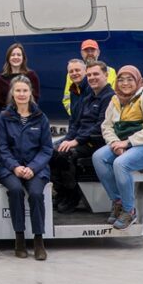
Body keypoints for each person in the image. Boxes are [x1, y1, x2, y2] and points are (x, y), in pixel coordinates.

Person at [92, 66, 143, 230]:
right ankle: (118, 201)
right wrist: (114, 143)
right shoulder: (115, 100)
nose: (125, 83)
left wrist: (128, 143)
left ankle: (129, 210)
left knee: (121, 163)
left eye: (130, 79)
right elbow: (107, 126)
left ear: (138, 80)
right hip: (122, 143)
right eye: (121, 79)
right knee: (98, 158)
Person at [0, 75, 52, 260]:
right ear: (12, 93)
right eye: (18, 90)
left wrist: (33, 168)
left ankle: (38, 240)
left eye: (25, 91)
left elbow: (46, 149)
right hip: (9, 168)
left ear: (31, 93)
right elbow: (2, 148)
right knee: (16, 190)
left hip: (36, 168)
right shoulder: (4, 117)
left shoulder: (40, 117)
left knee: (36, 194)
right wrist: (15, 167)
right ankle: (19, 238)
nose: (21, 94)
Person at [50, 61, 114, 213]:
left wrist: (75, 141)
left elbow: (99, 126)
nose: (92, 77)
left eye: (95, 74)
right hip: (81, 139)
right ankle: (62, 193)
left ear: (105, 75)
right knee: (51, 152)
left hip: (96, 141)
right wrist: (67, 139)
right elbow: (76, 123)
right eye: (90, 74)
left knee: (66, 155)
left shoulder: (110, 98)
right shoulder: (87, 98)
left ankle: (72, 196)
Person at [62, 39, 116, 115]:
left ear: (98, 52)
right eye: (86, 51)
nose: (90, 53)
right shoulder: (73, 74)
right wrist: (75, 114)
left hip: (102, 115)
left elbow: (114, 97)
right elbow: (67, 98)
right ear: (81, 53)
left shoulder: (110, 71)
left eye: (92, 50)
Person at [0, 42, 40, 109]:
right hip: (8, 116)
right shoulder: (0, 78)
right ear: (8, 58)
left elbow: (35, 98)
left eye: (19, 55)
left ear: (23, 58)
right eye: (12, 55)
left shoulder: (31, 76)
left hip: (29, 114)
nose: (16, 57)